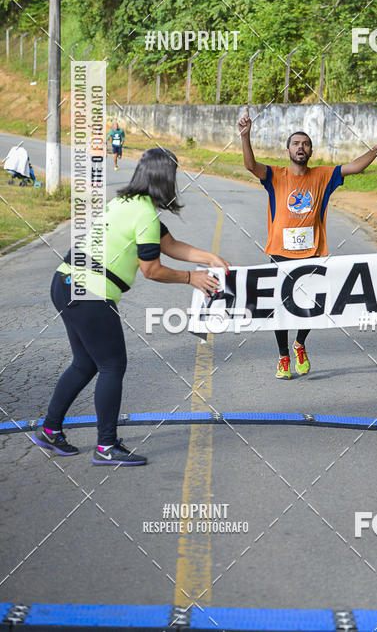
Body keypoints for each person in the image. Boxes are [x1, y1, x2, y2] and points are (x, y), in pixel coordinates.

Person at [33, 148, 230, 466]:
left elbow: (169, 245)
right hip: (89, 293)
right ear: (165, 178)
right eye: (174, 174)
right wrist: (192, 278)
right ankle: (105, 447)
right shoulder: (144, 213)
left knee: (85, 363)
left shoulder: (128, 203)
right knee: (112, 365)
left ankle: (50, 430)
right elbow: (152, 269)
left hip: (66, 283)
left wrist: (210, 258)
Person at [238, 108, 377, 378]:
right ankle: (283, 357)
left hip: (312, 253)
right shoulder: (275, 175)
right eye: (296, 144)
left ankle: (300, 344)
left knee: (313, 306)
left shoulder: (323, 175)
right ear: (287, 150)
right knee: (283, 307)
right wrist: (245, 135)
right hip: (280, 253)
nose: (301, 147)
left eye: (306, 144)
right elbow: (251, 166)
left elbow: (355, 166)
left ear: (311, 151)